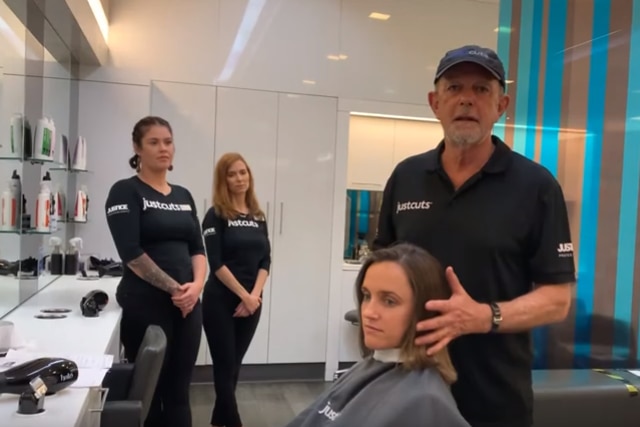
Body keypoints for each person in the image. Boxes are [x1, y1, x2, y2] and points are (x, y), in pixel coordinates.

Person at [372, 45, 575, 427]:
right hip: (405, 389)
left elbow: (557, 300)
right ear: (435, 102)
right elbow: (381, 273)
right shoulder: (406, 177)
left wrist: (483, 316)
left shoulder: (536, 187)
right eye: (454, 88)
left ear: (502, 105)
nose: (467, 98)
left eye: (482, 89)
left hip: (494, 398)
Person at [285, 243, 471, 427]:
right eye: (366, 296)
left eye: (389, 301)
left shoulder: (424, 400)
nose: (368, 312)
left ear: (425, 311)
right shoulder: (370, 367)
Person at [104, 116, 206, 427]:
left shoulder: (183, 195)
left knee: (179, 391)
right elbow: (132, 254)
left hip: (188, 306)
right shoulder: (125, 191)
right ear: (137, 148)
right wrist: (177, 289)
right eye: (154, 142)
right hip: (146, 304)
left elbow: (197, 249)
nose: (163, 148)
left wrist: (197, 287)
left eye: (168, 141)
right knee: (152, 390)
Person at [201, 152, 271, 427]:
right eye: (232, 174)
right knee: (225, 364)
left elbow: (266, 260)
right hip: (221, 300)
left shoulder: (258, 216)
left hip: (253, 302)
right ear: (223, 180)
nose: (240, 178)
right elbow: (215, 263)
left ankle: (219, 421)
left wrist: (254, 296)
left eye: (243, 172)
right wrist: (244, 295)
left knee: (234, 367)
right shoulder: (215, 215)